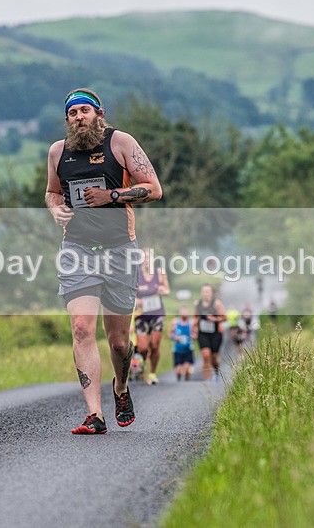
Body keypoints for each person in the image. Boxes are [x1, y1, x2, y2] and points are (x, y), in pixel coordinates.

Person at [45, 88, 163, 435]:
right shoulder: (58, 151)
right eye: (72, 113)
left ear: (99, 113)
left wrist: (110, 195)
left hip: (119, 250)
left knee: (119, 342)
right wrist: (56, 209)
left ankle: (121, 388)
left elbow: (153, 189)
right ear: (67, 120)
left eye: (85, 110)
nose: (79, 117)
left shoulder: (121, 143)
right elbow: (52, 192)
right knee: (82, 328)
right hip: (77, 249)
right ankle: (94, 415)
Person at [134, 248, 170, 385]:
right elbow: (130, 293)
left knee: (154, 345)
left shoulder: (159, 273)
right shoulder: (135, 274)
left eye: (149, 257)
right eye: (144, 258)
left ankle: (153, 373)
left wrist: (162, 291)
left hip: (157, 313)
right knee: (142, 348)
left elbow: (167, 290)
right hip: (141, 314)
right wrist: (136, 301)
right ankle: (143, 362)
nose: (147, 261)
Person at [192, 283, 227, 381]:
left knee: (214, 358)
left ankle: (216, 371)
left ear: (211, 293)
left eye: (207, 291)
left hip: (215, 334)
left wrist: (214, 319)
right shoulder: (197, 304)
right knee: (206, 355)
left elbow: (224, 318)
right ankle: (207, 379)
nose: (206, 293)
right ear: (201, 293)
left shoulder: (216, 303)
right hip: (203, 333)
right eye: (204, 291)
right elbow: (195, 317)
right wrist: (194, 328)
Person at [169, 306, 194, 381]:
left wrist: (193, 336)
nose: (184, 313)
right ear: (179, 313)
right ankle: (179, 381)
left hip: (188, 349)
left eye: (186, 312)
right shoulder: (175, 322)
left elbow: (195, 333)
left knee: (187, 370)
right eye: (182, 312)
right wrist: (174, 337)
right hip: (178, 349)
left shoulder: (191, 323)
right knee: (178, 371)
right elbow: (170, 333)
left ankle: (186, 382)